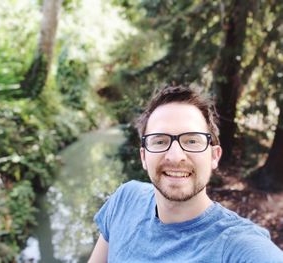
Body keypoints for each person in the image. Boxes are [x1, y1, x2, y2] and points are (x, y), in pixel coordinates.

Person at [88, 85, 283, 262]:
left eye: (192, 141)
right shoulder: (124, 199)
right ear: (143, 157)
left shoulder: (239, 248)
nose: (175, 156)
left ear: (214, 156)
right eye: (160, 141)